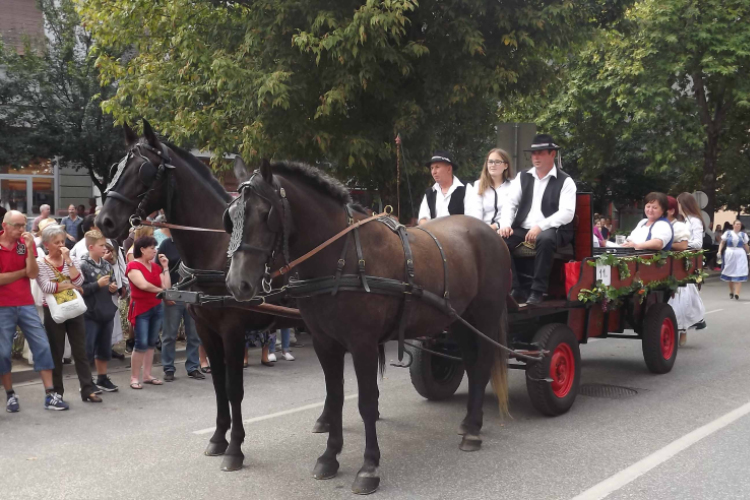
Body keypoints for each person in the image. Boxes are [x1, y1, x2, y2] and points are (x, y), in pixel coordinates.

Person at [498, 134, 577, 305]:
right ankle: (516, 288)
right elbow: (510, 203)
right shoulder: (523, 176)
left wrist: (540, 226)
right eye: (534, 154)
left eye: (540, 153)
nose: (536, 157)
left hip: (554, 229)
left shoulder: (566, 181)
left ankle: (537, 290)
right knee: (499, 241)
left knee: (545, 239)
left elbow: (567, 213)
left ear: (552, 154)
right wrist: (505, 224)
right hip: (524, 227)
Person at [0, 211, 62, 412]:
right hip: (3, 305)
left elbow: (33, 273)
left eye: (24, 225)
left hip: (25, 303)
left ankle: (50, 394)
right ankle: (10, 395)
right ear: (5, 225)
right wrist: (21, 273)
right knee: (3, 352)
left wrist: (28, 250)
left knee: (42, 346)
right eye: (17, 225)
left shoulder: (25, 244)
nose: (21, 230)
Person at [36, 224, 101, 404]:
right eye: (56, 242)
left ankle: (87, 389)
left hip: (73, 308)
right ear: (47, 244)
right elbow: (46, 287)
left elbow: (79, 279)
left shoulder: (71, 259)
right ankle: (57, 392)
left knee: (80, 350)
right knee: (56, 351)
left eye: (63, 241)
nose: (61, 245)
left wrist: (69, 261)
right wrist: (69, 285)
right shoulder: (41, 263)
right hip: (54, 310)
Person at [157, 226, 205, 381]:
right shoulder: (165, 244)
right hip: (174, 294)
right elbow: (159, 269)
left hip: (191, 294)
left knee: (194, 335)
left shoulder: (194, 245)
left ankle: (192, 367)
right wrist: (166, 293)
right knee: (169, 335)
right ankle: (168, 368)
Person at [125, 236, 170, 389]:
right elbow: (142, 285)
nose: (155, 251)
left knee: (151, 342)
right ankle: (134, 377)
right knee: (141, 343)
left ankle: (147, 375)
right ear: (142, 249)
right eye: (152, 248)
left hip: (156, 307)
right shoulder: (133, 266)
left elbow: (167, 285)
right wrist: (162, 291)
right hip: (141, 307)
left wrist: (165, 267)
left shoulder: (156, 267)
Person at [80, 230, 120, 393]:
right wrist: (97, 285)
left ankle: (102, 378)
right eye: (101, 245)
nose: (105, 248)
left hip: (106, 311)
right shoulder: (82, 265)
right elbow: (79, 289)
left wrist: (112, 288)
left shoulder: (106, 264)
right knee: (88, 349)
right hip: (90, 313)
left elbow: (111, 282)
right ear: (91, 247)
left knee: (104, 347)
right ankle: (87, 382)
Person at [665, 197, 704, 346]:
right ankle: (678, 329)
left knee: (682, 295)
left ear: (684, 204)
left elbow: (698, 243)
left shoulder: (695, 221)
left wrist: (681, 245)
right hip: (676, 258)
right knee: (676, 295)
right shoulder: (680, 221)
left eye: (679, 203)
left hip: (686, 260)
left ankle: (682, 330)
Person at [465, 148, 513, 229]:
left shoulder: (513, 186)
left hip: (503, 230)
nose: (493, 165)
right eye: (490, 161)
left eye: (497, 162)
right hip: (482, 230)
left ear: (505, 166)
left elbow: (512, 213)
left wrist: (495, 226)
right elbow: (476, 212)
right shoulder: (478, 185)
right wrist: (481, 228)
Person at [417, 150, 466, 225]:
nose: (434, 172)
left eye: (437, 167)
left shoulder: (466, 189)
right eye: (432, 168)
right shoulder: (430, 193)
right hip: (434, 235)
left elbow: (472, 219)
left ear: (449, 169)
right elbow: (423, 219)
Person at [103, 242, 127, 360]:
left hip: (113, 284)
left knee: (113, 318)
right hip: (98, 287)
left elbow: (120, 263)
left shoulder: (113, 242)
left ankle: (109, 347)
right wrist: (104, 259)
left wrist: (123, 283)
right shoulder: (89, 241)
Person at [719, 220, 749, 300]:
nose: (738, 225)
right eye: (736, 224)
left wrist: (749, 253)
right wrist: (719, 251)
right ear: (733, 225)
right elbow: (722, 243)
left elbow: (745, 245)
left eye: (739, 224)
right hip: (730, 253)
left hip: (740, 254)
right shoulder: (728, 233)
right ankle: (731, 291)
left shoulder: (743, 235)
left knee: (740, 270)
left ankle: (737, 293)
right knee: (730, 272)